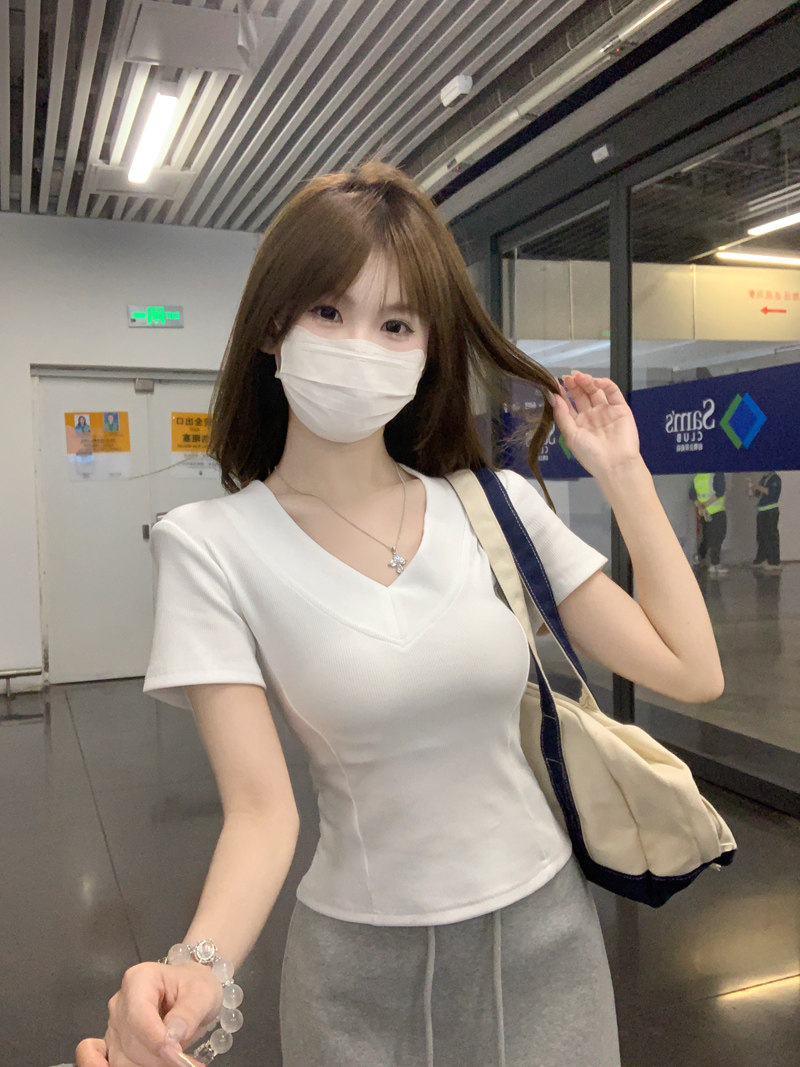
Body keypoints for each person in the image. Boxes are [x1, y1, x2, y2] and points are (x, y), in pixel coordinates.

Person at [77, 160, 723, 1067]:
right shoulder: (208, 544)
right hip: (357, 975)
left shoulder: (495, 507)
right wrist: (198, 967)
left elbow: (691, 669)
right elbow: (262, 811)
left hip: (547, 941)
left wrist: (624, 472)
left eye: (396, 324)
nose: (360, 346)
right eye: (328, 311)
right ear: (272, 323)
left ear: (426, 351)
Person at [689, 472, 728, 576]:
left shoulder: (698, 476)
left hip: (704, 513)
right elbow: (720, 492)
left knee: (707, 537)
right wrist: (705, 505)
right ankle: (715, 564)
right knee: (718, 537)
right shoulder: (716, 473)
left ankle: (700, 557)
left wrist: (700, 506)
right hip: (717, 511)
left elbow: (692, 495)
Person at [748, 470, 782, 572]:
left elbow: (770, 492)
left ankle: (774, 562)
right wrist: (752, 487)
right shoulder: (764, 479)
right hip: (762, 511)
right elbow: (757, 494)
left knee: (771, 536)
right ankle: (761, 558)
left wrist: (757, 486)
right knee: (762, 537)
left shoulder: (775, 478)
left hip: (770, 511)